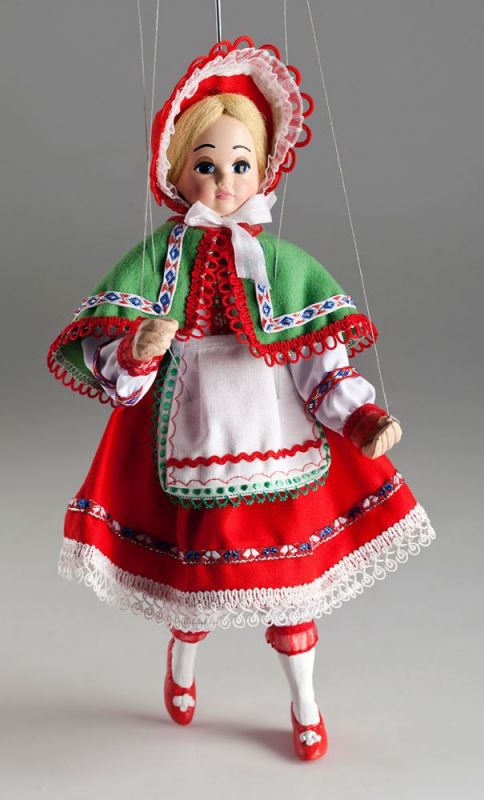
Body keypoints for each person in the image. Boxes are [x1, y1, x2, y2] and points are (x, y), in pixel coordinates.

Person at [47, 37, 435, 761]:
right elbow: (117, 371)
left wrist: (359, 414)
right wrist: (140, 349)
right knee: (194, 579)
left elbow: (315, 355)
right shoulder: (157, 260)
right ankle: (182, 662)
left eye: (239, 165)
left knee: (290, 589)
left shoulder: (281, 263)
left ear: (263, 169)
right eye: (206, 165)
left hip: (274, 428)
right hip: (190, 426)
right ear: (176, 171)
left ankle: (305, 702)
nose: (224, 180)